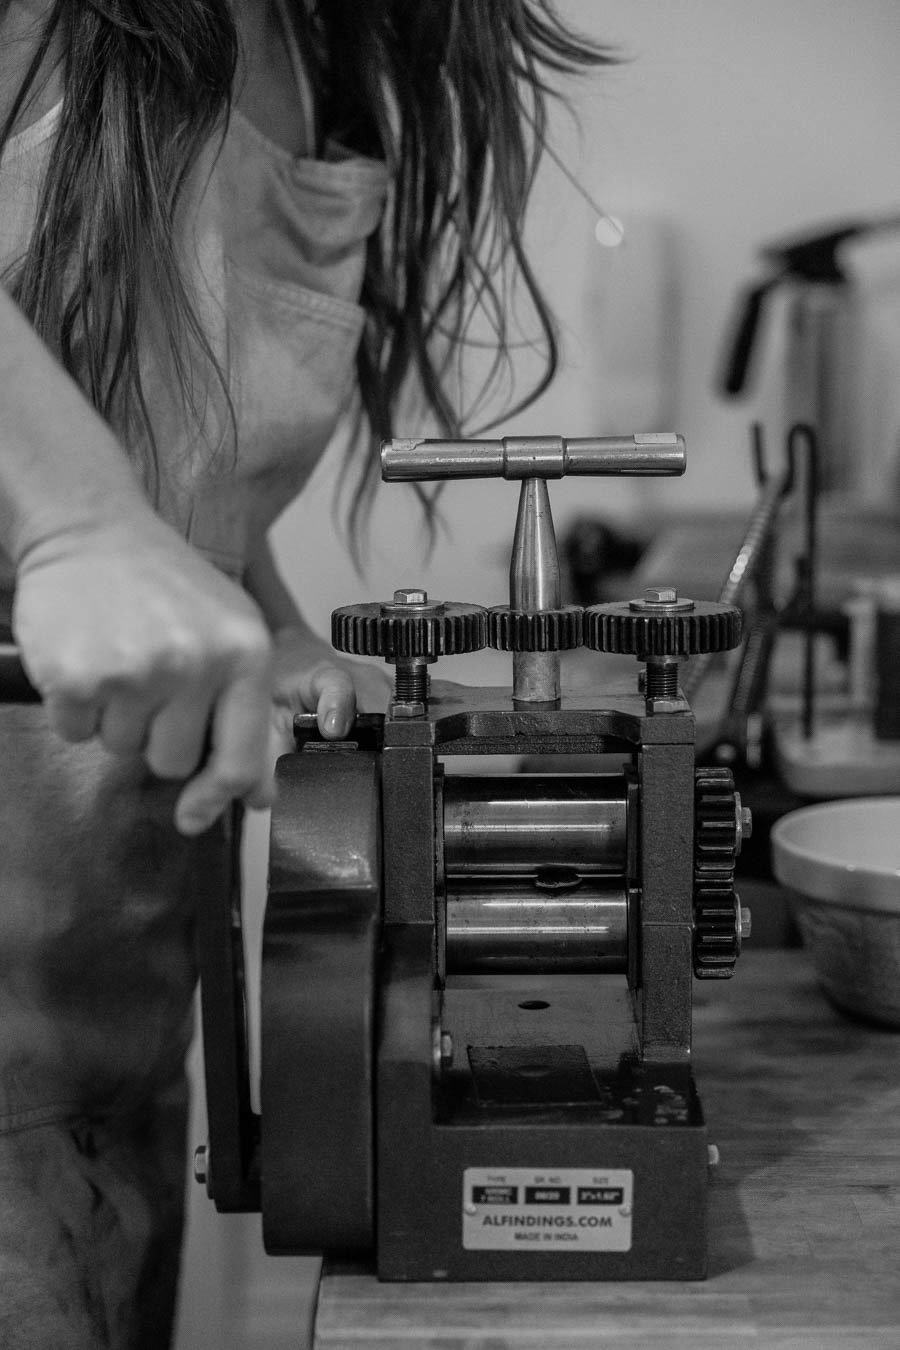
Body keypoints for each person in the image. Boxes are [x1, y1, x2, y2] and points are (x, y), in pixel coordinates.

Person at [0, 2, 610, 1345]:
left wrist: (256, 606)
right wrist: (72, 521)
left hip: (105, 1023)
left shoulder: (319, 37)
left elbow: (172, 420)